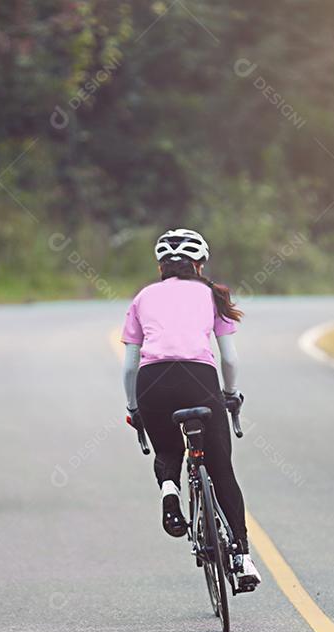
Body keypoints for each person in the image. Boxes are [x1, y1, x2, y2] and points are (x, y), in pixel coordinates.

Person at [121, 228, 261, 590]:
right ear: (199, 264)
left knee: (168, 451)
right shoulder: (212, 294)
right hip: (199, 380)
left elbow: (129, 367)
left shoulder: (142, 297)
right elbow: (229, 357)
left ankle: (170, 491)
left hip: (152, 382)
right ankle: (243, 558)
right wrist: (230, 394)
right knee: (220, 468)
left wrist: (135, 407)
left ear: (160, 266)